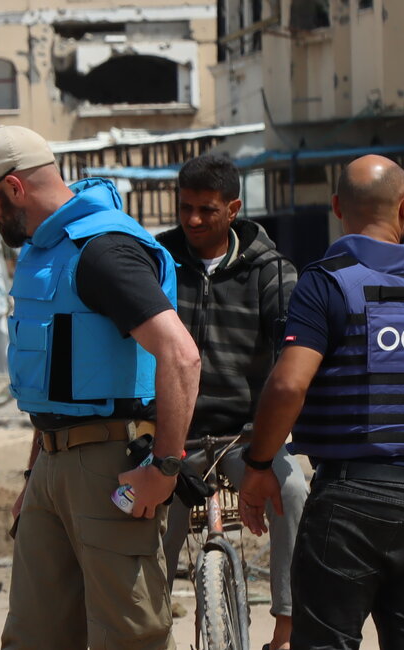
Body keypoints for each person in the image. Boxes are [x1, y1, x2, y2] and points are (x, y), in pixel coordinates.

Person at [0, 126, 201, 650]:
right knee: (32, 637)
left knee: (128, 638)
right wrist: (34, 476)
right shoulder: (50, 252)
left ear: (15, 187)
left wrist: (165, 470)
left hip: (109, 466)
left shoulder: (104, 250)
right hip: (52, 465)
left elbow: (180, 354)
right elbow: (58, 381)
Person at [239, 155, 404, 650]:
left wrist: (257, 464)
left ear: (337, 207)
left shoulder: (326, 282)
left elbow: (289, 385)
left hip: (351, 500)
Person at [154, 154, 307, 650]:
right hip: (173, 438)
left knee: (295, 491)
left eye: (207, 210)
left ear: (234, 207)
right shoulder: (157, 263)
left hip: (246, 437)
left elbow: (294, 351)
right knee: (141, 529)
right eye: (185, 208)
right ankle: (149, 633)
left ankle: (286, 626)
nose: (193, 220)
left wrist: (274, 440)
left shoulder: (271, 271)